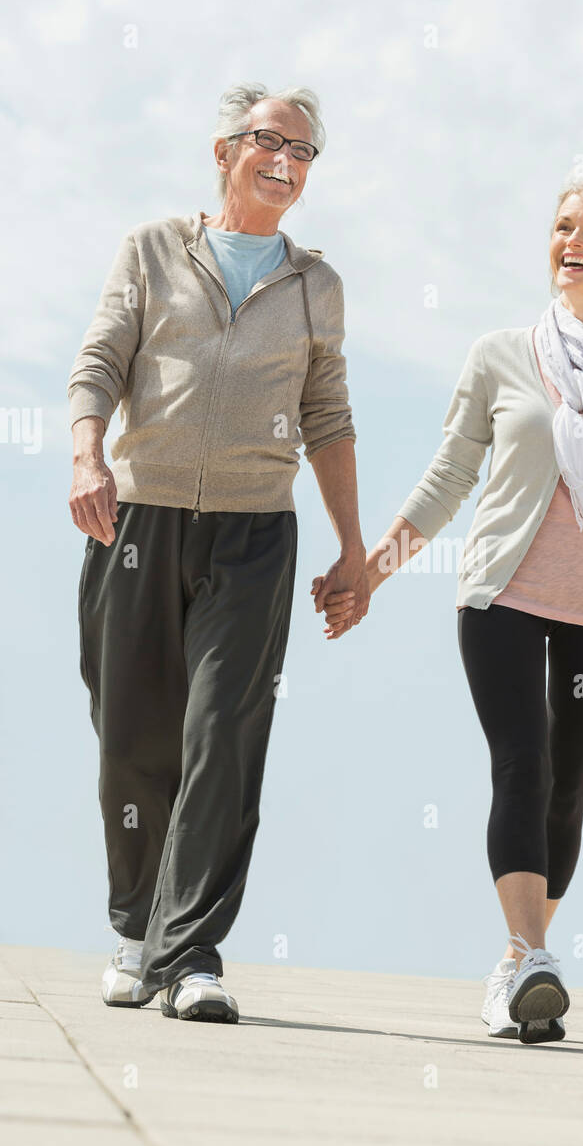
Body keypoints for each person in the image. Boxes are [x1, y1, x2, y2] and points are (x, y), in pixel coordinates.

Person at [317, 168, 583, 1045]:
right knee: (520, 763)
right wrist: (371, 571)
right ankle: (528, 958)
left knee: (568, 787)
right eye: (561, 226)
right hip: (502, 591)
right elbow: (450, 476)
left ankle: (518, 963)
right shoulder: (500, 354)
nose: (570, 241)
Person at [69, 83, 369, 1024]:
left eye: (305, 151)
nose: (287, 161)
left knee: (221, 740)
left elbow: (327, 418)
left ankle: (191, 952)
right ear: (223, 150)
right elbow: (102, 359)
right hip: (138, 522)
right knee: (133, 735)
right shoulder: (153, 249)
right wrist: (86, 452)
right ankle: (134, 930)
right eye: (269, 141)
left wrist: (352, 549)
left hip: (253, 535)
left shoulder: (316, 284)